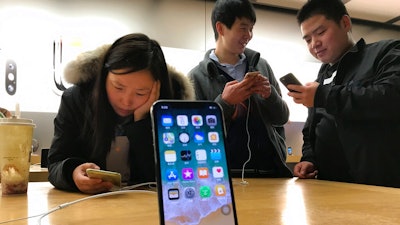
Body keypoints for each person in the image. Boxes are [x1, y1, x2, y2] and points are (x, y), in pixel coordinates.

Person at [47, 33, 195, 194]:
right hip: (88, 207)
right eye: (118, 87)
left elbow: (174, 174)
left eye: (140, 93)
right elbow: (55, 164)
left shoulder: (170, 108)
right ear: (104, 76)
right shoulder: (76, 99)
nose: (126, 101)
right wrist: (73, 172)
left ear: (157, 89)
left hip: (147, 209)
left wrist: (141, 121)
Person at [288, 0, 400, 188]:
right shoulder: (322, 77)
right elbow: (311, 129)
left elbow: (391, 97)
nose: (315, 43)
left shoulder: (385, 52)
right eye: (307, 39)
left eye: (321, 32)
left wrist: (323, 96)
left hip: (378, 186)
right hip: (328, 187)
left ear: (345, 23)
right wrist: (309, 158)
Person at [188, 0, 293, 179]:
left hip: (271, 171)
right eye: (243, 28)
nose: (249, 35)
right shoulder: (196, 77)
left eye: (251, 28)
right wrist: (225, 103)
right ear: (220, 28)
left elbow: (281, 118)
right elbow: (195, 135)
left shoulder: (262, 66)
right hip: (224, 176)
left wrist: (270, 95)